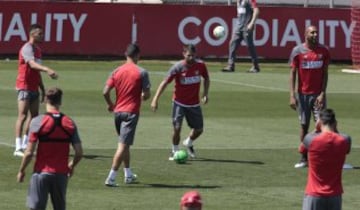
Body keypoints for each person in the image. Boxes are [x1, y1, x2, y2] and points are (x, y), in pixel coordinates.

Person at [17, 87, 83, 210]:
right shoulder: (69, 122)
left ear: (46, 100)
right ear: (60, 101)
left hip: (41, 173)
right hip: (61, 174)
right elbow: (79, 152)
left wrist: (22, 170)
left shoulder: (37, 121)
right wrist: (71, 165)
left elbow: (29, 152)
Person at [151, 44, 210, 160]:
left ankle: (188, 142)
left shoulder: (201, 66)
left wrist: (205, 93)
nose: (191, 58)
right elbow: (165, 83)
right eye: (189, 55)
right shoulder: (177, 67)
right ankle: (174, 150)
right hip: (179, 103)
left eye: (193, 55)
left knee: (199, 129)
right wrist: (155, 99)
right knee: (177, 128)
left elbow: (207, 78)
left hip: (194, 104)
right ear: (183, 54)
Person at [103, 43, 151, 187]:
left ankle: (128, 174)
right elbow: (147, 95)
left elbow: (105, 91)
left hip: (118, 113)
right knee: (123, 146)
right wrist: (143, 96)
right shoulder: (142, 72)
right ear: (138, 55)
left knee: (125, 144)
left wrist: (111, 104)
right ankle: (111, 177)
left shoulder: (116, 71)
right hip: (131, 113)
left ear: (126, 54)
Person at [14, 23, 58, 157]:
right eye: (40, 33)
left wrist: (42, 88)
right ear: (32, 34)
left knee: (34, 117)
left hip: (34, 87)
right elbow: (32, 65)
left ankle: (27, 144)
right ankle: (17, 147)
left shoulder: (38, 50)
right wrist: (47, 69)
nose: (42, 36)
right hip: (24, 86)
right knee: (22, 116)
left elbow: (36, 71)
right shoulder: (26, 48)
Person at [289, 25, 330, 168]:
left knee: (322, 125)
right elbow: (293, 74)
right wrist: (292, 95)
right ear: (305, 34)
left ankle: (321, 156)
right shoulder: (297, 51)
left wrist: (323, 93)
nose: (315, 34)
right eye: (312, 32)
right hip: (302, 95)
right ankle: (304, 157)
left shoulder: (323, 51)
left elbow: (325, 73)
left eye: (316, 32)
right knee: (304, 126)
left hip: (318, 95)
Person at [301, 108, 351, 210]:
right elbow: (346, 147)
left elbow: (301, 149)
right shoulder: (345, 140)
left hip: (314, 194)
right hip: (335, 195)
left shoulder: (310, 139)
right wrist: (335, 130)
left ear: (319, 121)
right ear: (335, 123)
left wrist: (315, 129)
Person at [221, 0, 260, 73]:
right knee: (232, 44)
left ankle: (255, 66)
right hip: (238, 27)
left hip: (247, 27)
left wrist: (251, 23)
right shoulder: (238, 1)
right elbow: (240, 14)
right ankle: (230, 65)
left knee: (250, 46)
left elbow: (256, 10)